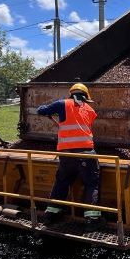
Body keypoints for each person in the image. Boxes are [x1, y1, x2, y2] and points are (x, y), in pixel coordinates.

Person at [37, 83, 102, 226]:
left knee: (62, 182)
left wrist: (48, 111)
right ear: (86, 96)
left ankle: (51, 215)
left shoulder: (62, 104)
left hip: (66, 154)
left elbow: (40, 110)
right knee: (91, 183)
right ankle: (92, 219)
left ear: (71, 93)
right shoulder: (90, 110)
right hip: (86, 153)